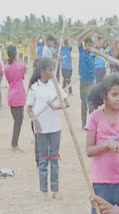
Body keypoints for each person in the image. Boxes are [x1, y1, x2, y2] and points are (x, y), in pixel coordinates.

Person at [86, 73, 119, 213]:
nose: (118, 99)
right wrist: (106, 145)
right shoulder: (94, 118)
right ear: (104, 95)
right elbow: (89, 151)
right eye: (114, 94)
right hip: (102, 182)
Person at [26, 57, 69, 199]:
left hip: (55, 128)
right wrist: (35, 121)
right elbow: (29, 109)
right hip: (41, 129)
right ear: (43, 71)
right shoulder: (34, 88)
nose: (53, 73)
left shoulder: (55, 85)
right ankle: (44, 190)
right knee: (43, 160)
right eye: (50, 70)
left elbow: (66, 103)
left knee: (54, 159)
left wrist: (56, 106)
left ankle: (55, 190)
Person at [4, 46, 26, 152]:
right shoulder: (21, 66)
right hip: (19, 95)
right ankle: (14, 144)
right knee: (18, 121)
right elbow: (22, 77)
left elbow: (9, 80)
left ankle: (14, 143)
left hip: (11, 95)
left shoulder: (6, 67)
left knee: (17, 120)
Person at [78, 28, 97, 128]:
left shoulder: (94, 54)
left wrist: (95, 33)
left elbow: (99, 44)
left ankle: (91, 124)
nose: (90, 47)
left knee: (91, 103)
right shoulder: (82, 52)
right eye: (88, 45)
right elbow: (79, 39)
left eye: (91, 45)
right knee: (83, 103)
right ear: (85, 46)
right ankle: (83, 124)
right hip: (83, 82)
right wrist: (87, 31)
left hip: (91, 82)